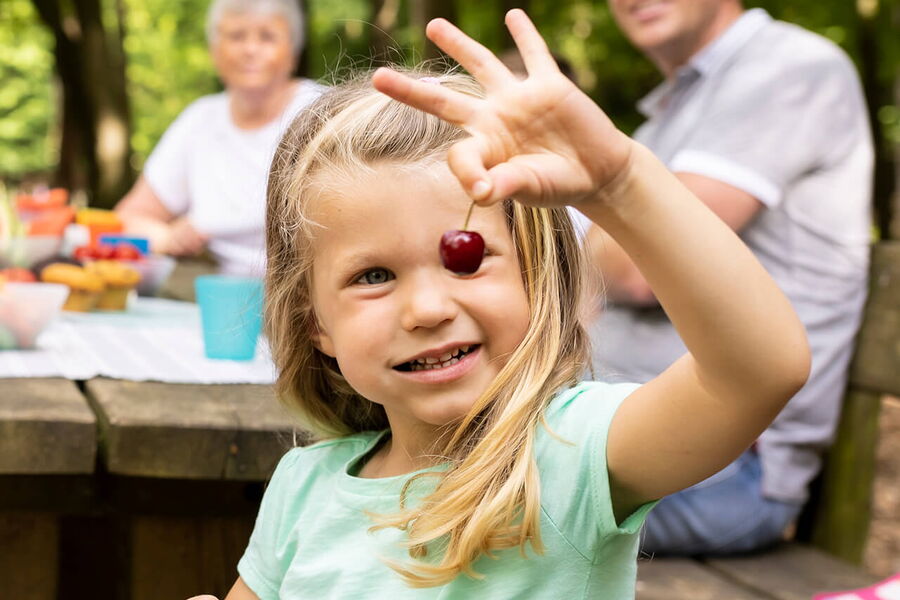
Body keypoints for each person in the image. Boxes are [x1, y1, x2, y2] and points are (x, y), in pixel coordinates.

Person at [205, 10, 809, 599]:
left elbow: (759, 372)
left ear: (535, 276)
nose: (427, 308)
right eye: (374, 275)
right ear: (316, 325)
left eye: (463, 259)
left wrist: (622, 183)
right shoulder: (303, 487)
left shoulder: (576, 456)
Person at [587, 0, 873, 555]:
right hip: (617, 434)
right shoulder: (669, 114)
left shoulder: (790, 68)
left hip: (722, 466)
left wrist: (582, 235)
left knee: (436, 505)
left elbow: (639, 267)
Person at [115, 0, 325, 277]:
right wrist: (166, 237)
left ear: (292, 54)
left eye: (267, 37)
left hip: (303, 284)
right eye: (236, 36)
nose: (250, 50)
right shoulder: (199, 120)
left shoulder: (322, 112)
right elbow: (127, 218)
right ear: (215, 52)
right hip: (213, 286)